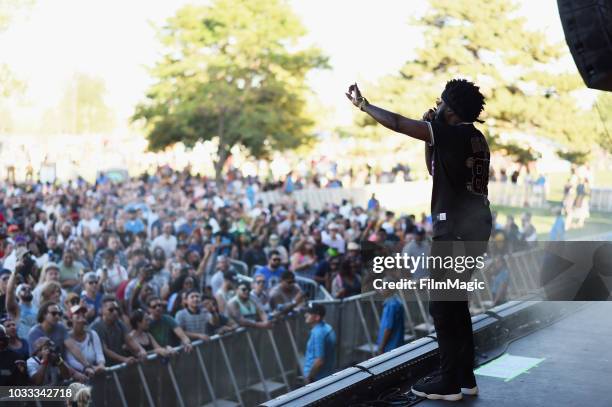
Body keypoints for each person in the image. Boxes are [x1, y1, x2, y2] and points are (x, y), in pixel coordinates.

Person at [347, 79, 491, 401]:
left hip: (454, 230)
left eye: (440, 102)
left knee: (441, 307)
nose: (436, 106)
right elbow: (433, 169)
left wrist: (364, 105)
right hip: (476, 227)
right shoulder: (475, 138)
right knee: (456, 305)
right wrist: (431, 134)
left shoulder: (452, 133)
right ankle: (464, 377)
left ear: (450, 110)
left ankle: (449, 382)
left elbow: (398, 123)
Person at [90, 296, 146, 366]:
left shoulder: (119, 323)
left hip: (119, 366)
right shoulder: (96, 327)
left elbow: (129, 340)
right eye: (111, 310)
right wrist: (124, 359)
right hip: (106, 368)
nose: (115, 312)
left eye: (116, 309)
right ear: (102, 310)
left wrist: (140, 350)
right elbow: (105, 350)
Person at [65, 304, 106, 376]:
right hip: (78, 378)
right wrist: (86, 369)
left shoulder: (92, 334)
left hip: (96, 374)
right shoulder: (66, 337)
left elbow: (99, 353)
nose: (81, 315)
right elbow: (71, 360)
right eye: (77, 313)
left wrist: (101, 365)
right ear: (71, 319)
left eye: (83, 313)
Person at [303, 303, 336, 384]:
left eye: (309, 313)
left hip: (317, 379)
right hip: (326, 375)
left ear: (317, 317)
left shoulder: (318, 333)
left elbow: (319, 361)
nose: (305, 315)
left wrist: (309, 377)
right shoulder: (328, 327)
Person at [376, 279, 405, 354]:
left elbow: (388, 328)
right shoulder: (396, 300)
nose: (381, 289)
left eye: (383, 287)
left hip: (390, 346)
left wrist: (381, 346)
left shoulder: (391, 305)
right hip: (397, 343)